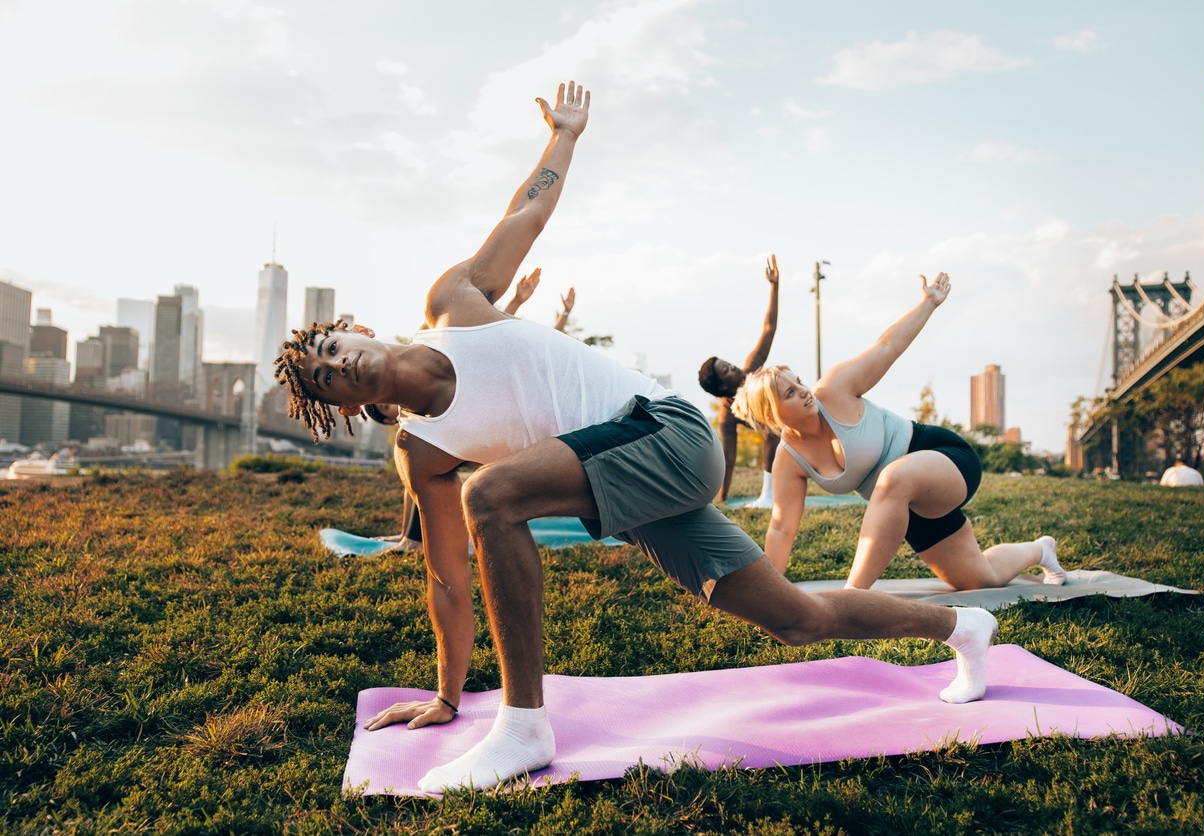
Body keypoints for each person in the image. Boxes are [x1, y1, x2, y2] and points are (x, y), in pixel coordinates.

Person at [273, 80, 1000, 793]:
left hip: (669, 432)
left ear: (352, 330)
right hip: (636, 489)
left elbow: (522, 216)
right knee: (795, 619)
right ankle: (959, 628)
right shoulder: (421, 452)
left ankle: (524, 728)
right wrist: (445, 696)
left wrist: (562, 135)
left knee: (492, 495)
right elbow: (446, 579)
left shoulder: (454, 303)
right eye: (326, 380)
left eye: (333, 350)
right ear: (339, 408)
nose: (340, 367)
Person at [732, 271, 1066, 593]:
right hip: (904, 502)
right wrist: (769, 594)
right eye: (789, 392)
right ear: (771, 413)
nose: (803, 390)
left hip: (942, 457)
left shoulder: (834, 389)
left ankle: (853, 598)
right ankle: (1040, 550)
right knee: (981, 579)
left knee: (891, 478)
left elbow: (887, 346)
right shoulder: (789, 460)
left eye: (798, 381)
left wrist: (929, 303)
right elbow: (781, 526)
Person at [362, 270, 576, 553]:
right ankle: (408, 537)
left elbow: (496, 335)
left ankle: (412, 541)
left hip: (515, 434)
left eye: (388, 403)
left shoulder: (452, 370)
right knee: (414, 471)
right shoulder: (420, 420)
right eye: (389, 410)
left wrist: (531, 304)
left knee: (421, 467)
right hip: (484, 437)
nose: (397, 405)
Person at [698, 255, 780, 507]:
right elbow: (729, 457)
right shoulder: (728, 413)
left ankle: (770, 493)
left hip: (798, 415)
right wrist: (722, 497)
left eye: (728, 363)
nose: (733, 366)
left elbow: (769, 328)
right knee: (771, 429)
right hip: (782, 434)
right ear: (723, 387)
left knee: (772, 428)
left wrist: (774, 286)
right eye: (727, 370)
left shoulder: (751, 370)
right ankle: (769, 493)